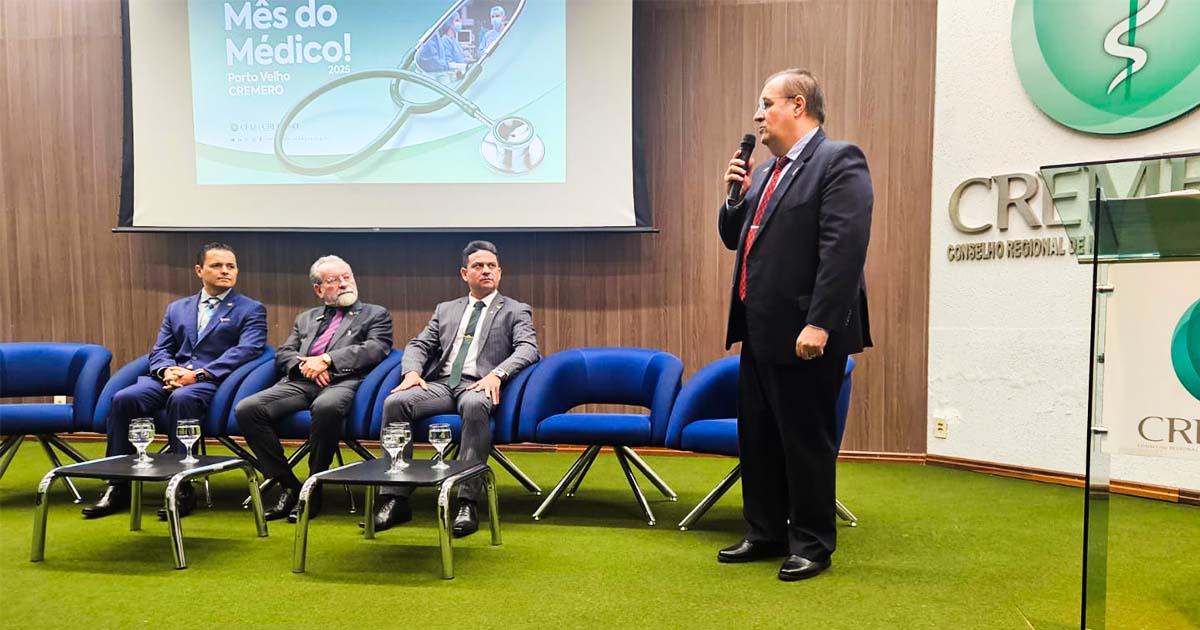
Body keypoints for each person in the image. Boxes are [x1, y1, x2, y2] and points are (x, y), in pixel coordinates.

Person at [717, 68, 873, 581]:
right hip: (759, 329)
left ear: (798, 105)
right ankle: (765, 532)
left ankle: (811, 543)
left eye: (767, 104)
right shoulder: (763, 172)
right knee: (758, 437)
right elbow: (733, 237)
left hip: (807, 331)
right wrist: (734, 198)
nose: (758, 115)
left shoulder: (837, 160)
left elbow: (843, 249)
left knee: (805, 440)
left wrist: (822, 323)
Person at [82, 243, 267, 519]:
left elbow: (247, 350)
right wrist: (167, 370)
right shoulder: (177, 308)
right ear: (199, 270)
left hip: (208, 381)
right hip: (169, 376)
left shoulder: (251, 309)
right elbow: (160, 349)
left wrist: (198, 375)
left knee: (182, 399)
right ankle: (117, 485)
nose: (226, 271)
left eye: (231, 266)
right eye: (217, 266)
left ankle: (182, 488)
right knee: (124, 398)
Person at [372, 240, 538, 536]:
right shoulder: (446, 309)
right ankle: (395, 497)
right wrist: (411, 372)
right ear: (465, 274)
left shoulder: (515, 310)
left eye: (491, 266)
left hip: (478, 384)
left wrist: (497, 375)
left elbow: (528, 348)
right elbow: (419, 344)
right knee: (395, 403)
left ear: (499, 273)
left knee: (475, 406)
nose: (485, 271)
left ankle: (467, 502)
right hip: (442, 384)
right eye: (478, 266)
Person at [234, 256, 393, 522]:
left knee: (327, 407)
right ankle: (288, 485)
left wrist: (328, 361)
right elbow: (284, 352)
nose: (344, 284)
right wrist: (305, 368)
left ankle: (314, 485)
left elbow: (376, 348)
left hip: (343, 381)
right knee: (248, 409)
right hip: (301, 382)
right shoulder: (306, 318)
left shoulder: (375, 314)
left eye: (347, 277)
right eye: (334, 281)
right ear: (319, 289)